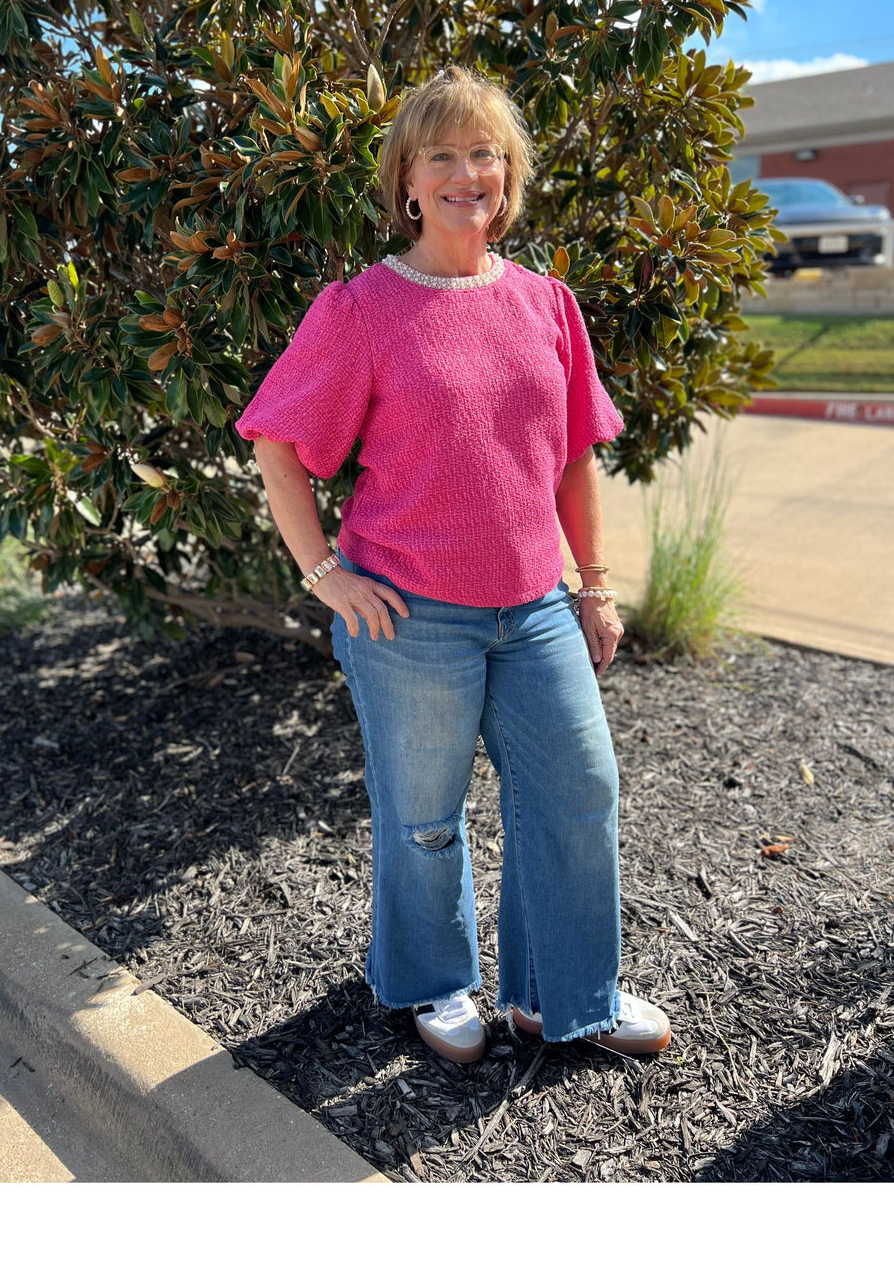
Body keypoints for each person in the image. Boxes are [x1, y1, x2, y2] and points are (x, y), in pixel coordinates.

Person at [235, 66, 671, 1064]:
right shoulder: (360, 310)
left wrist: (594, 585)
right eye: (442, 156)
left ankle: (563, 997)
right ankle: (433, 985)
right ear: (408, 181)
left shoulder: (546, 304)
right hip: (408, 614)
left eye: (486, 154)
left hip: (534, 608)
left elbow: (569, 457)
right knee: (424, 819)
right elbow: (276, 445)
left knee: (578, 789)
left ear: (509, 176)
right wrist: (324, 573)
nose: (466, 173)